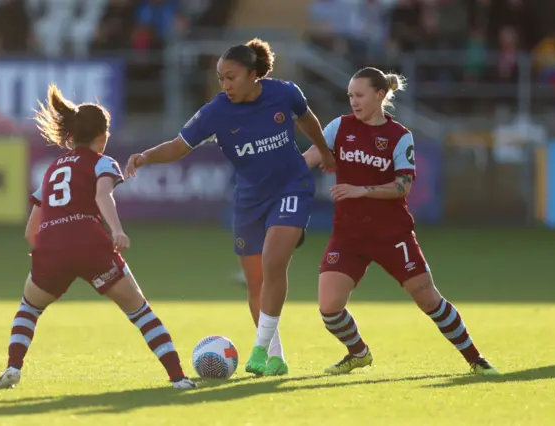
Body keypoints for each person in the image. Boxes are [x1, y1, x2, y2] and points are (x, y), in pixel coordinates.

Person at [125, 38, 335, 376]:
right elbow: (180, 146)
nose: (225, 85)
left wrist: (323, 150)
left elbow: (306, 119)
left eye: (231, 77)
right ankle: (276, 357)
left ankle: (258, 350)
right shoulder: (216, 111)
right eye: (221, 78)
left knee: (273, 261)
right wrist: (146, 157)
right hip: (250, 199)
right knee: (255, 282)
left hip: (292, 186)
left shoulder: (284, 93)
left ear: (254, 75)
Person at [0, 84, 196, 390]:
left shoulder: (50, 170)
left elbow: (29, 230)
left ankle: (13, 367)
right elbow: (103, 197)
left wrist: (51, 250)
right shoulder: (103, 162)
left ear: (72, 134)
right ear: (104, 134)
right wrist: (116, 230)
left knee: (29, 308)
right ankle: (178, 378)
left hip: (50, 246)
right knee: (140, 311)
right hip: (91, 244)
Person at [303, 67, 499, 376]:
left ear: (379, 95)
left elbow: (402, 187)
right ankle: (359, 353)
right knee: (329, 308)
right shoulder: (339, 127)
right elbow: (309, 158)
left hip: (392, 234)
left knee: (428, 298)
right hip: (349, 234)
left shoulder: (399, 136)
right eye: (350, 96)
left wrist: (360, 190)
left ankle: (476, 360)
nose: (353, 102)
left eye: (360, 95)